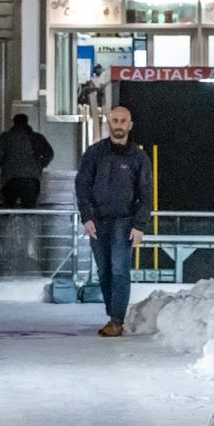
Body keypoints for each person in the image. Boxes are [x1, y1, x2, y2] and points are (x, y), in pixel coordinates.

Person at [75, 105, 151, 338]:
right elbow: (82, 186)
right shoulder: (94, 153)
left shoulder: (138, 157)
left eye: (123, 121)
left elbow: (146, 192)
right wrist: (87, 216)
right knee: (104, 271)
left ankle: (116, 320)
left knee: (119, 270)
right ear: (109, 123)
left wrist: (139, 225)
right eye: (115, 120)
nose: (119, 125)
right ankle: (112, 315)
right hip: (98, 221)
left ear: (130, 125)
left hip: (124, 221)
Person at [0, 113, 53, 209]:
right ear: (27, 122)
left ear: (14, 122)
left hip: (10, 177)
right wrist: (40, 165)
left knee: (9, 209)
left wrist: (3, 164)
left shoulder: (6, 137)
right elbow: (49, 153)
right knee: (29, 210)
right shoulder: (37, 137)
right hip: (32, 178)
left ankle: (9, 224)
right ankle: (29, 224)